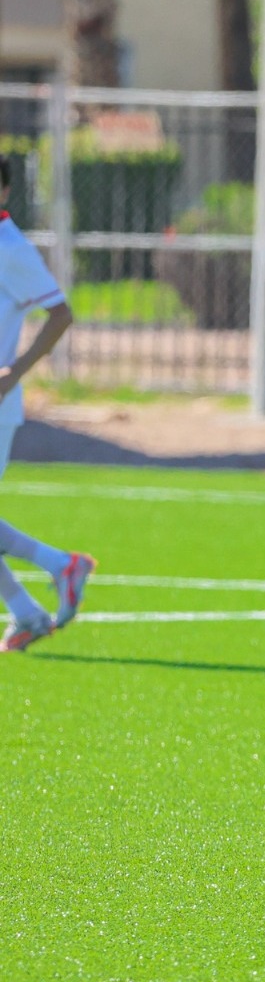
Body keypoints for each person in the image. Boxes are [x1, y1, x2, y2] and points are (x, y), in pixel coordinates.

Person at [0, 158, 93, 653]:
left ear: (7, 189)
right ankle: (31, 607)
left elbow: (60, 314)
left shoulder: (11, 248)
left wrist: (15, 372)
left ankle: (59, 569)